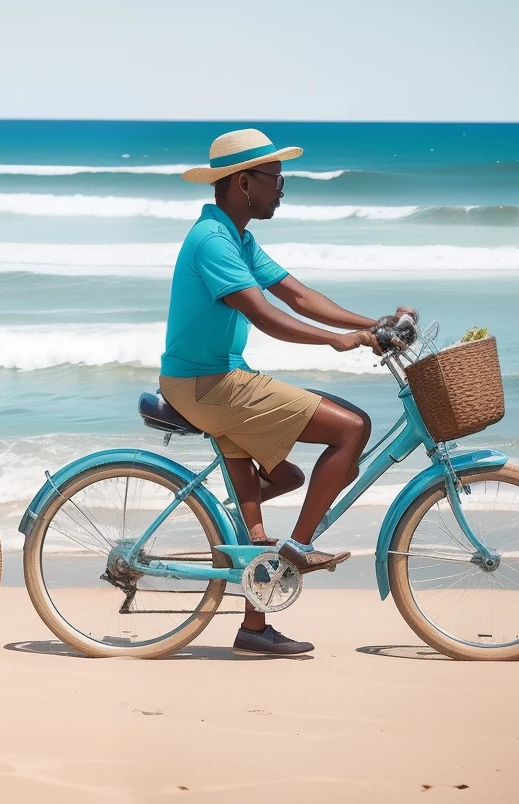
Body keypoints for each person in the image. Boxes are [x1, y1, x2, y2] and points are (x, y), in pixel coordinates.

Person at [158, 128, 414, 656]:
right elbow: (265, 314)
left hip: (218, 378)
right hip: (210, 385)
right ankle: (297, 549)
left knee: (287, 477)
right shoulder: (213, 241)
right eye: (275, 179)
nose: (282, 189)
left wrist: (375, 325)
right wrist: (338, 341)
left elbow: (296, 294)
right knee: (352, 428)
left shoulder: (236, 236)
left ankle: (254, 623)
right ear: (242, 182)